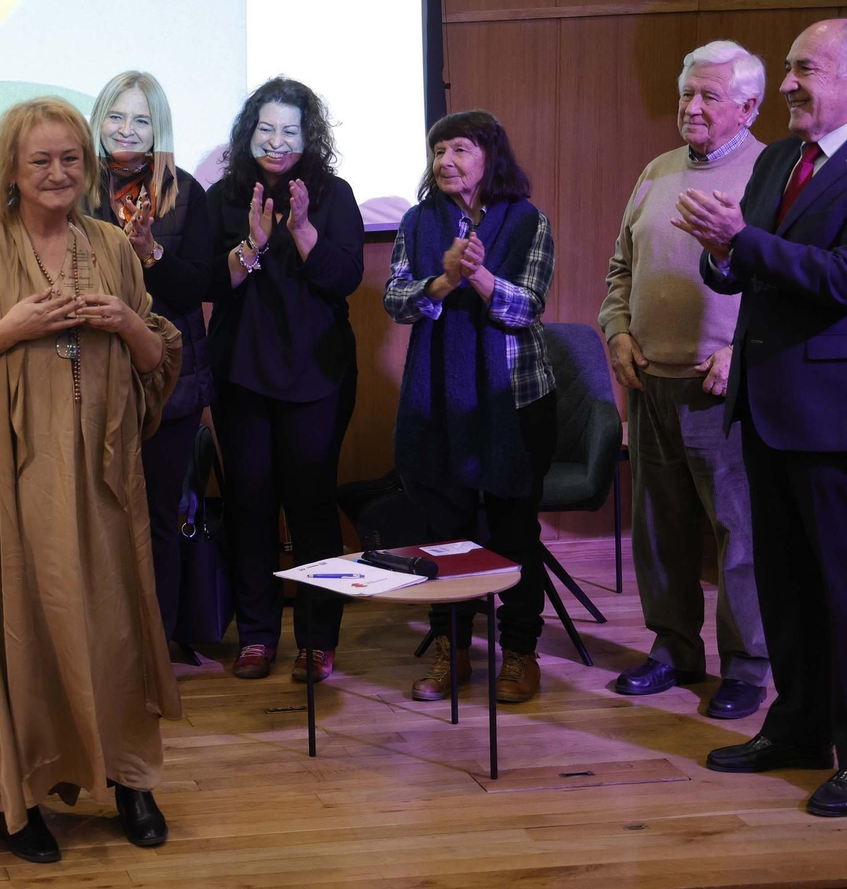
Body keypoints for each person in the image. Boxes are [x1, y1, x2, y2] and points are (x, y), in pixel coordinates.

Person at [0, 97, 182, 863]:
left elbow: (159, 363)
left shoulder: (114, 245)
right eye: (39, 161)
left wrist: (124, 320)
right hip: (9, 490)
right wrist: (8, 330)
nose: (57, 173)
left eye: (70, 159)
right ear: (9, 172)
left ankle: (131, 779)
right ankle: (21, 802)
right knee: (23, 635)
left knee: (112, 630)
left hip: (104, 485)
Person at [680, 19, 847, 818]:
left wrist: (744, 241)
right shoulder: (780, 158)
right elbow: (736, 273)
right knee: (785, 586)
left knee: (842, 591)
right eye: (785, 68)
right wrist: (719, 251)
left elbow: (844, 279)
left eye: (804, 69)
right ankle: (799, 727)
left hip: (833, 417)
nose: (786, 84)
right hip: (766, 404)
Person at [597, 41, 769, 718]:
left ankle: (749, 666)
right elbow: (619, 268)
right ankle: (674, 647)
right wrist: (615, 333)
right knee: (657, 527)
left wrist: (742, 349)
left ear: (749, 107)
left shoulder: (769, 174)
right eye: (685, 94)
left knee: (738, 534)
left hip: (722, 386)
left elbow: (780, 284)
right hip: (650, 384)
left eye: (709, 96)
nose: (691, 107)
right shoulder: (656, 170)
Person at [384, 110, 556, 705]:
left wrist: (477, 276)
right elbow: (397, 301)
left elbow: (527, 306)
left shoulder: (529, 220)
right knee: (444, 535)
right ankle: (450, 650)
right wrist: (444, 279)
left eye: (460, 149)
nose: (446, 162)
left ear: (490, 157)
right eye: (438, 152)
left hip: (515, 398)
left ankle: (520, 653)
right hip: (436, 399)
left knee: (514, 532)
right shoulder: (415, 221)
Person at [206, 78, 363, 683]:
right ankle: (257, 635)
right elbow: (212, 288)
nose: (277, 141)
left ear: (309, 136)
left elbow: (345, 278)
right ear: (250, 133)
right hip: (242, 373)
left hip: (317, 374)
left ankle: (317, 639)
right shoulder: (224, 197)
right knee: (249, 504)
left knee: (312, 506)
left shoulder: (333, 194)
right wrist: (253, 244)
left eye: (290, 130)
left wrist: (299, 230)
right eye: (266, 129)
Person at [87, 71, 214, 647]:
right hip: (87, 375)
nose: (127, 130)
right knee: (96, 519)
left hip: (169, 380)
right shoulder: (74, 187)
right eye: (117, 117)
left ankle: (156, 646)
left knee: (160, 515)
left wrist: (152, 253)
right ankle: (102, 645)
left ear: (158, 128)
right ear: (98, 121)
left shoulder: (186, 192)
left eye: (142, 119)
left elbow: (201, 287)